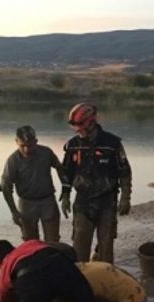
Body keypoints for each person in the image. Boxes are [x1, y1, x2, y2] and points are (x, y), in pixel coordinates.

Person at [58, 103, 132, 263]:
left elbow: (125, 172)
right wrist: (65, 195)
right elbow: (67, 173)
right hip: (83, 202)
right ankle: (80, 282)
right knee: (79, 245)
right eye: (75, 127)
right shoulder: (72, 145)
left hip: (107, 201)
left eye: (80, 127)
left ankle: (105, 281)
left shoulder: (112, 143)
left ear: (92, 122)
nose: (78, 131)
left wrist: (126, 198)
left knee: (106, 246)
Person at [2, 125, 63, 243]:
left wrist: (65, 192)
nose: (26, 149)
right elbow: (6, 185)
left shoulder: (46, 152)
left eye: (30, 145)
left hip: (48, 200)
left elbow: (59, 167)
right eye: (22, 146)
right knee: (30, 241)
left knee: (53, 240)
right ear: (16, 142)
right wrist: (14, 211)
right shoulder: (13, 160)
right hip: (26, 203)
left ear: (36, 141)